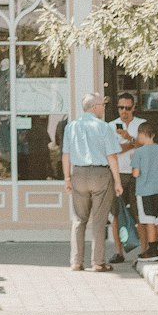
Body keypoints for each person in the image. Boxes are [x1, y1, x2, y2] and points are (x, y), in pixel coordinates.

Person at [62, 92, 123, 272]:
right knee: (98, 220)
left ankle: (76, 261)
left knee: (79, 220)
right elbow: (112, 157)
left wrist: (67, 177)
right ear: (95, 107)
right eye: (102, 105)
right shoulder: (104, 127)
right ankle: (97, 262)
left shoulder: (71, 127)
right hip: (100, 174)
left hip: (79, 174)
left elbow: (66, 155)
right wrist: (118, 181)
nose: (104, 108)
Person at [109, 91, 145, 262]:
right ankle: (118, 252)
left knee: (140, 214)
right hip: (118, 174)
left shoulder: (142, 124)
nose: (124, 111)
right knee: (116, 214)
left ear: (134, 108)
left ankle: (144, 250)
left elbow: (146, 147)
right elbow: (112, 151)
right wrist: (133, 144)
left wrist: (128, 139)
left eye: (127, 108)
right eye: (120, 108)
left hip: (138, 173)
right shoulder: (110, 126)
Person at [130, 122, 158, 259]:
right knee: (156, 220)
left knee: (148, 221)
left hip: (143, 191)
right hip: (157, 189)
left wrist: (133, 164)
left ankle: (152, 250)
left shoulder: (138, 152)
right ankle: (156, 247)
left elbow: (135, 173)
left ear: (141, 134)